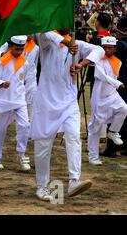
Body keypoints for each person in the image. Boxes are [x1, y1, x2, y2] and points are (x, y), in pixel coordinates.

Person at [30, 30, 105, 202]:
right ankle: (42, 186)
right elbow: (44, 32)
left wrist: (82, 64)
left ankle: (74, 181)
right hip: (46, 102)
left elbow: (99, 50)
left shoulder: (77, 45)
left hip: (69, 101)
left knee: (73, 136)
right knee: (43, 144)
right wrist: (65, 41)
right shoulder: (47, 44)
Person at [0, 36, 32, 171]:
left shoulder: (25, 62)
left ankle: (21, 154)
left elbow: (24, 79)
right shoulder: (2, 61)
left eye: (21, 49)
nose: (19, 51)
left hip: (20, 99)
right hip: (5, 100)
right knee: (1, 129)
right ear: (10, 47)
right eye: (16, 49)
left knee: (25, 125)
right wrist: (1, 84)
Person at [87, 36, 127, 165]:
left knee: (124, 109)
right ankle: (93, 156)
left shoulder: (118, 62)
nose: (107, 50)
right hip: (99, 96)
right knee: (96, 127)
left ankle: (113, 131)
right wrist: (117, 83)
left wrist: (115, 84)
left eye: (110, 48)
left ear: (115, 48)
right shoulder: (97, 60)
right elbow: (101, 76)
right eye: (105, 48)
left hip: (111, 94)